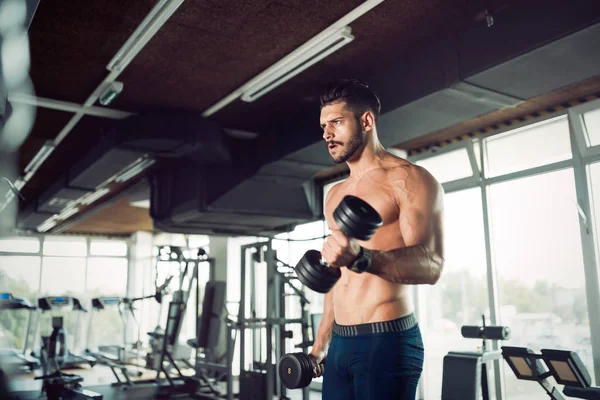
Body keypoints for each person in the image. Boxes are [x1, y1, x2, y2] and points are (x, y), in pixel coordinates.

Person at [309, 79, 445, 400]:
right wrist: (320, 345)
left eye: (337, 123)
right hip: (340, 343)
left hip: (387, 340)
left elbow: (432, 265)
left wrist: (361, 258)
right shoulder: (334, 194)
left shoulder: (409, 180)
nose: (327, 134)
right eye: (323, 126)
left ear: (366, 121)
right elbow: (336, 277)